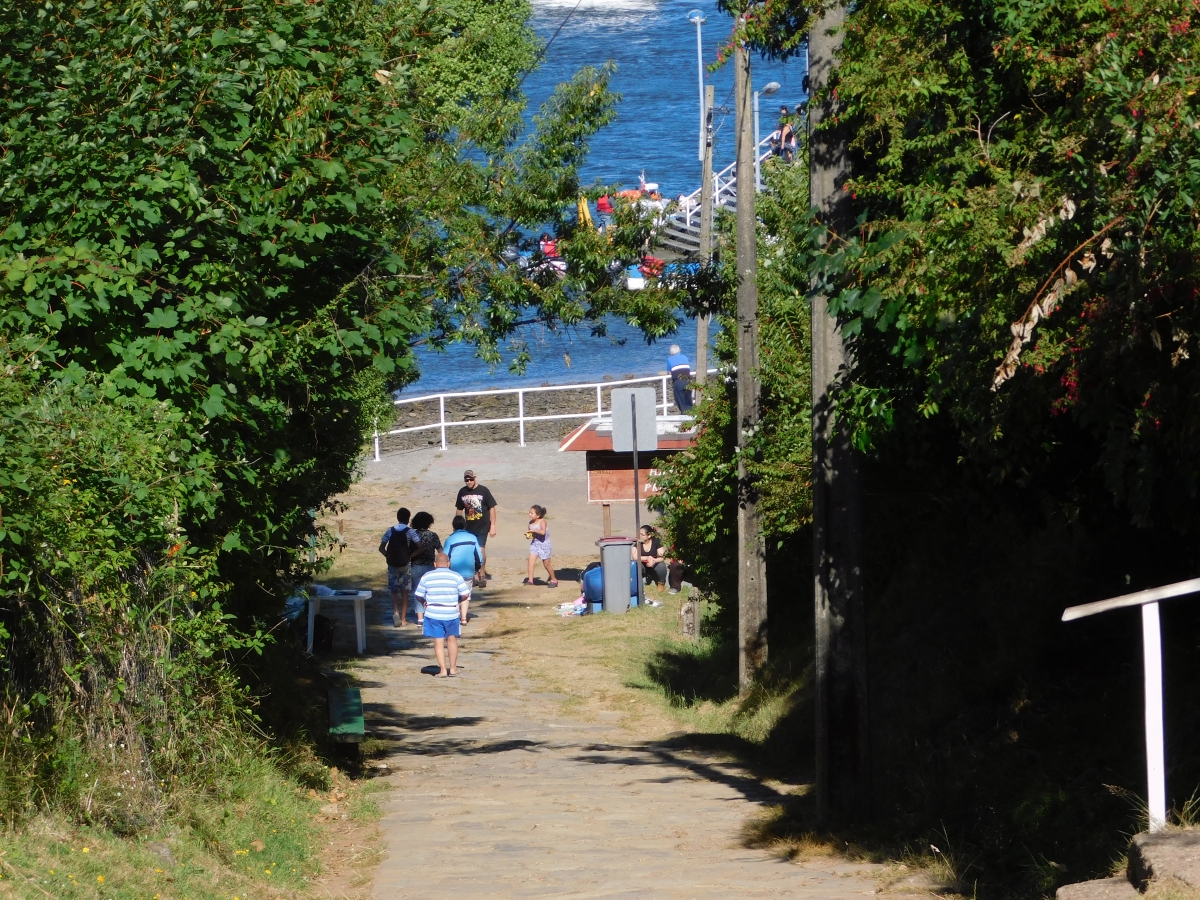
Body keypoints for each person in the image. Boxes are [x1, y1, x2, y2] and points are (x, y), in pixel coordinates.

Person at [413, 552, 471, 677]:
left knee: (438, 641)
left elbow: (418, 594)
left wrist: (424, 602)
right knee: (452, 639)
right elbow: (465, 594)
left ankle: (443, 669)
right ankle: (453, 668)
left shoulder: (427, 576)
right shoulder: (456, 576)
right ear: (448, 563)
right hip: (451, 612)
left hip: (433, 613)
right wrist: (458, 601)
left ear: (435, 564)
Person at [378, 507, 420, 627]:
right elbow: (420, 547)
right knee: (405, 591)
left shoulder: (390, 530)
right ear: (408, 519)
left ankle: (395, 612)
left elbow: (381, 548)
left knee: (394, 590)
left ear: (397, 518)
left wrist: (388, 556)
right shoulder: (410, 532)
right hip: (405, 564)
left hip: (392, 564)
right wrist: (409, 556)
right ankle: (403, 619)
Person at [455, 470, 497, 581]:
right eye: (466, 480)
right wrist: (457, 526)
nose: (469, 482)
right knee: (470, 550)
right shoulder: (462, 492)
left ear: (475, 478)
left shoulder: (483, 490)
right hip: (468, 526)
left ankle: (482, 573)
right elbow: (459, 509)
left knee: (481, 549)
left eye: (471, 479)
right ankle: (474, 575)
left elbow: (492, 507)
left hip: (483, 525)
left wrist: (493, 525)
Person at [443, 515, 483, 620]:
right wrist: (476, 570)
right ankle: (464, 618)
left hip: (453, 572)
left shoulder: (450, 539)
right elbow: (479, 557)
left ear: (453, 526)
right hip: (468, 571)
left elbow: (445, 557)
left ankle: (455, 616)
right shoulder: (472, 538)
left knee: (455, 594)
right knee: (466, 594)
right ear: (465, 525)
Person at [408, 511, 441, 626]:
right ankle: (429, 613)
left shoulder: (411, 535)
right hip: (430, 567)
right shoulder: (433, 535)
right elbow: (440, 551)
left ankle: (420, 618)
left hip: (416, 565)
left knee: (417, 591)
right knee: (430, 591)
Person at [523, 505, 557, 587]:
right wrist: (528, 535)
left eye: (532, 513)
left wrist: (534, 530)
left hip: (544, 545)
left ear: (538, 515)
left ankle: (553, 579)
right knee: (530, 562)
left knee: (546, 564)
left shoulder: (542, 522)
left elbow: (543, 532)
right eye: (529, 513)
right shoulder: (530, 523)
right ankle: (530, 580)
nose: (529, 515)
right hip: (535, 544)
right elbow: (532, 536)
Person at [636, 525, 668, 592]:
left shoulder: (656, 541)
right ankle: (638, 582)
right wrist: (647, 558)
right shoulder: (638, 542)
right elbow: (635, 557)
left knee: (662, 566)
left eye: (642, 534)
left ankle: (661, 583)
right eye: (639, 534)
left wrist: (654, 560)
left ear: (649, 535)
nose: (639, 536)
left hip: (654, 564)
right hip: (643, 564)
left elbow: (662, 557)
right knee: (636, 565)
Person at [666, 344, 694, 413]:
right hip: (688, 380)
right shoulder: (685, 357)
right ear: (679, 351)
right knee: (688, 400)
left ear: (671, 353)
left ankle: (685, 418)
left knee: (680, 401)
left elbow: (669, 372)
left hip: (678, 381)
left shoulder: (669, 359)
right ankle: (691, 416)